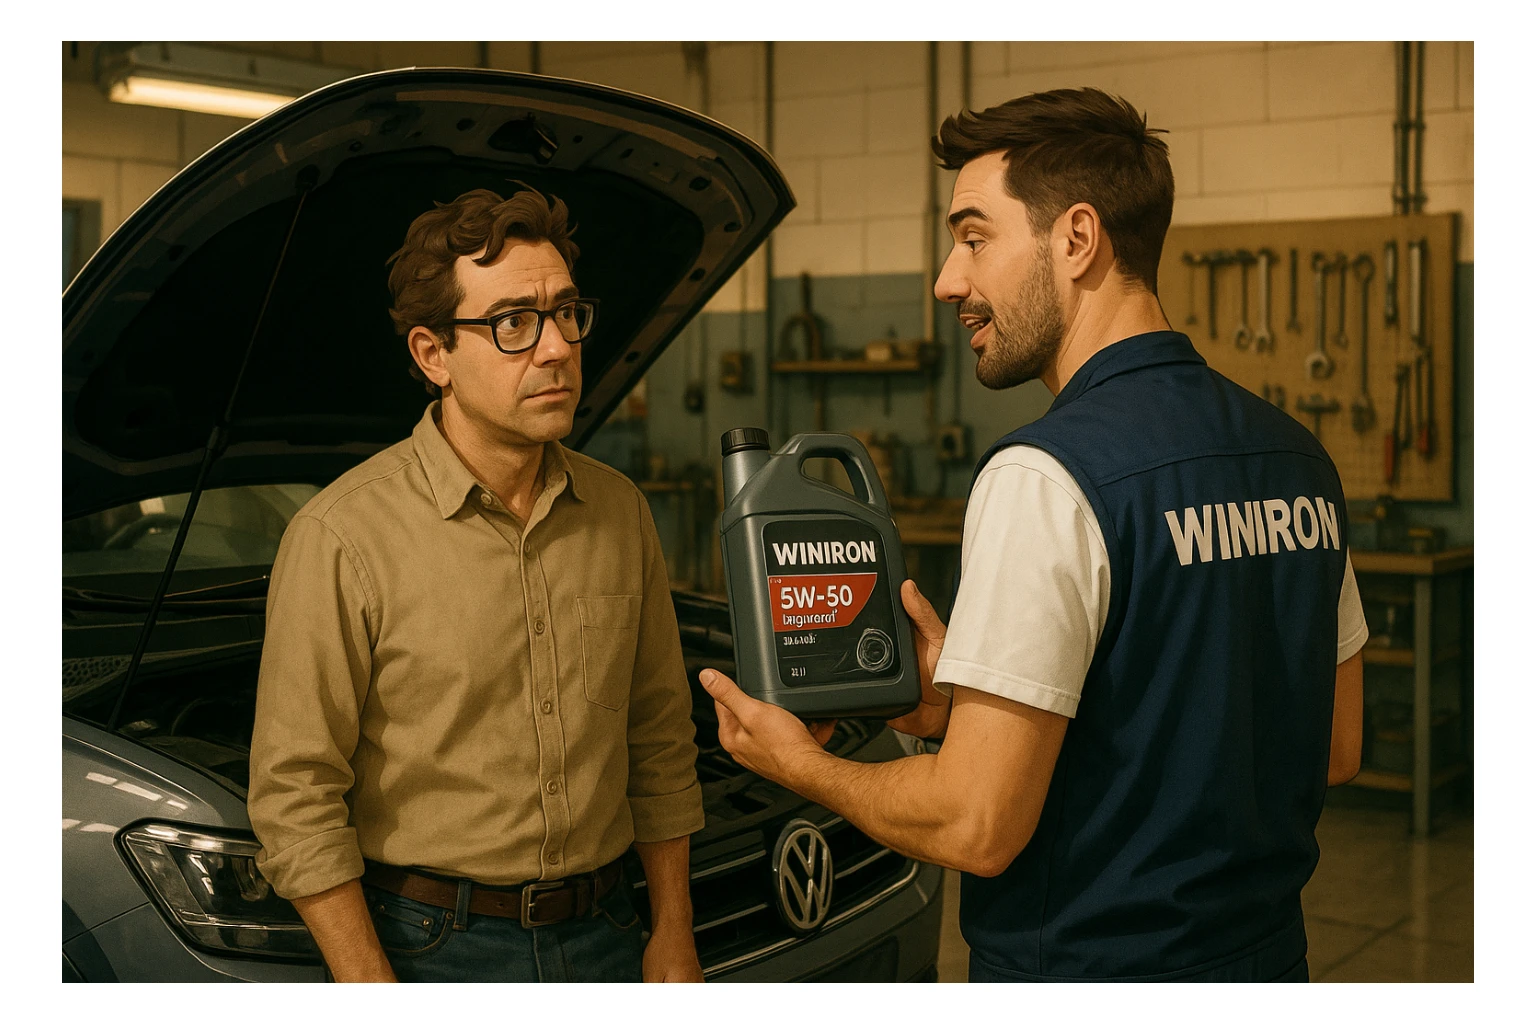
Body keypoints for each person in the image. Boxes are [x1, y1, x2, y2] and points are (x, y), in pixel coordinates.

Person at [698, 88, 1367, 983]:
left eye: (974, 238)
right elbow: (1332, 746)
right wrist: (972, 713)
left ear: (1077, 238)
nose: (947, 280)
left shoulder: (1045, 475)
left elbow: (975, 825)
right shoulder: (1296, 457)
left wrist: (799, 768)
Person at [248, 187, 706, 983]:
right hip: (430, 947)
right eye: (513, 323)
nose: (556, 348)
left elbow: (658, 737)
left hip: (610, 930)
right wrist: (370, 985)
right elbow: (296, 794)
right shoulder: (342, 537)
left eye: (566, 313)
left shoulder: (620, 512)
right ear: (434, 356)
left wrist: (674, 928)